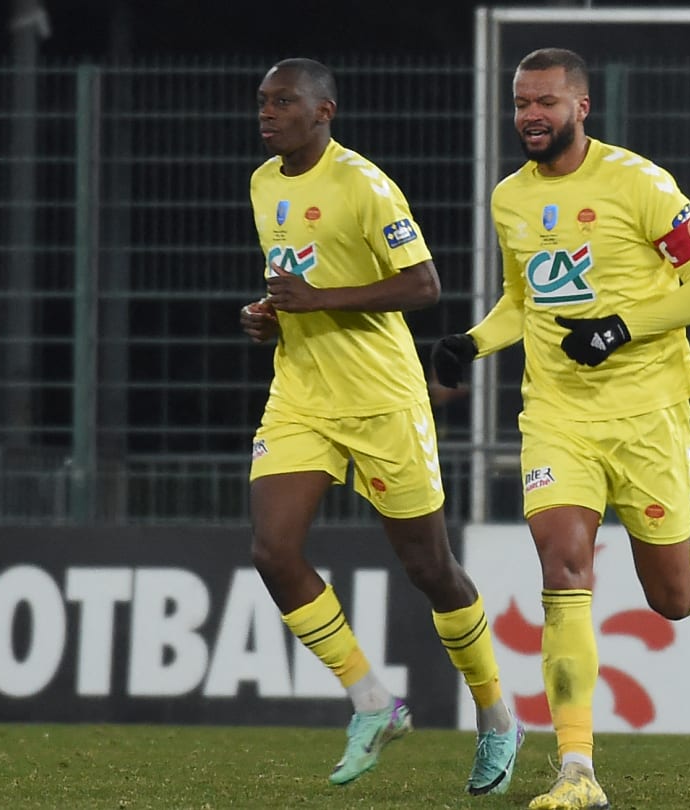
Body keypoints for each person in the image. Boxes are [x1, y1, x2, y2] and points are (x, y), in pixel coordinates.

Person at [430, 47, 690, 810]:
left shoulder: (639, 183)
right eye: (521, 103)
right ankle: (577, 772)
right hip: (556, 416)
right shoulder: (508, 199)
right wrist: (475, 342)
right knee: (563, 566)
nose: (530, 116)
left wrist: (621, 327)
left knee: (674, 598)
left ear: (581, 107)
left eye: (546, 102)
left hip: (648, 412)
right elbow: (526, 300)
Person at [238, 57, 523, 795]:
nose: (268, 114)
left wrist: (318, 300)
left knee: (430, 568)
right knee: (273, 550)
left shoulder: (362, 183)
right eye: (263, 102)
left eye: (284, 102)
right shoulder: (264, 183)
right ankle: (373, 701)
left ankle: (497, 715)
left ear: (324, 111)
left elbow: (424, 285)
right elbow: (296, 282)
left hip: (382, 400)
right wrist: (269, 315)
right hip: (302, 396)